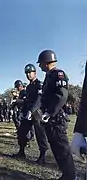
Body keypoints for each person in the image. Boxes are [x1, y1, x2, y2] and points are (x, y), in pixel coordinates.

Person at [37, 49, 76, 180]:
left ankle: (70, 176)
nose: (39, 66)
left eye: (40, 63)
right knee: (56, 149)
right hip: (50, 119)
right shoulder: (48, 76)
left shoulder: (58, 74)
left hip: (56, 117)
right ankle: (66, 175)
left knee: (63, 150)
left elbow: (61, 96)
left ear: (46, 62)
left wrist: (50, 112)